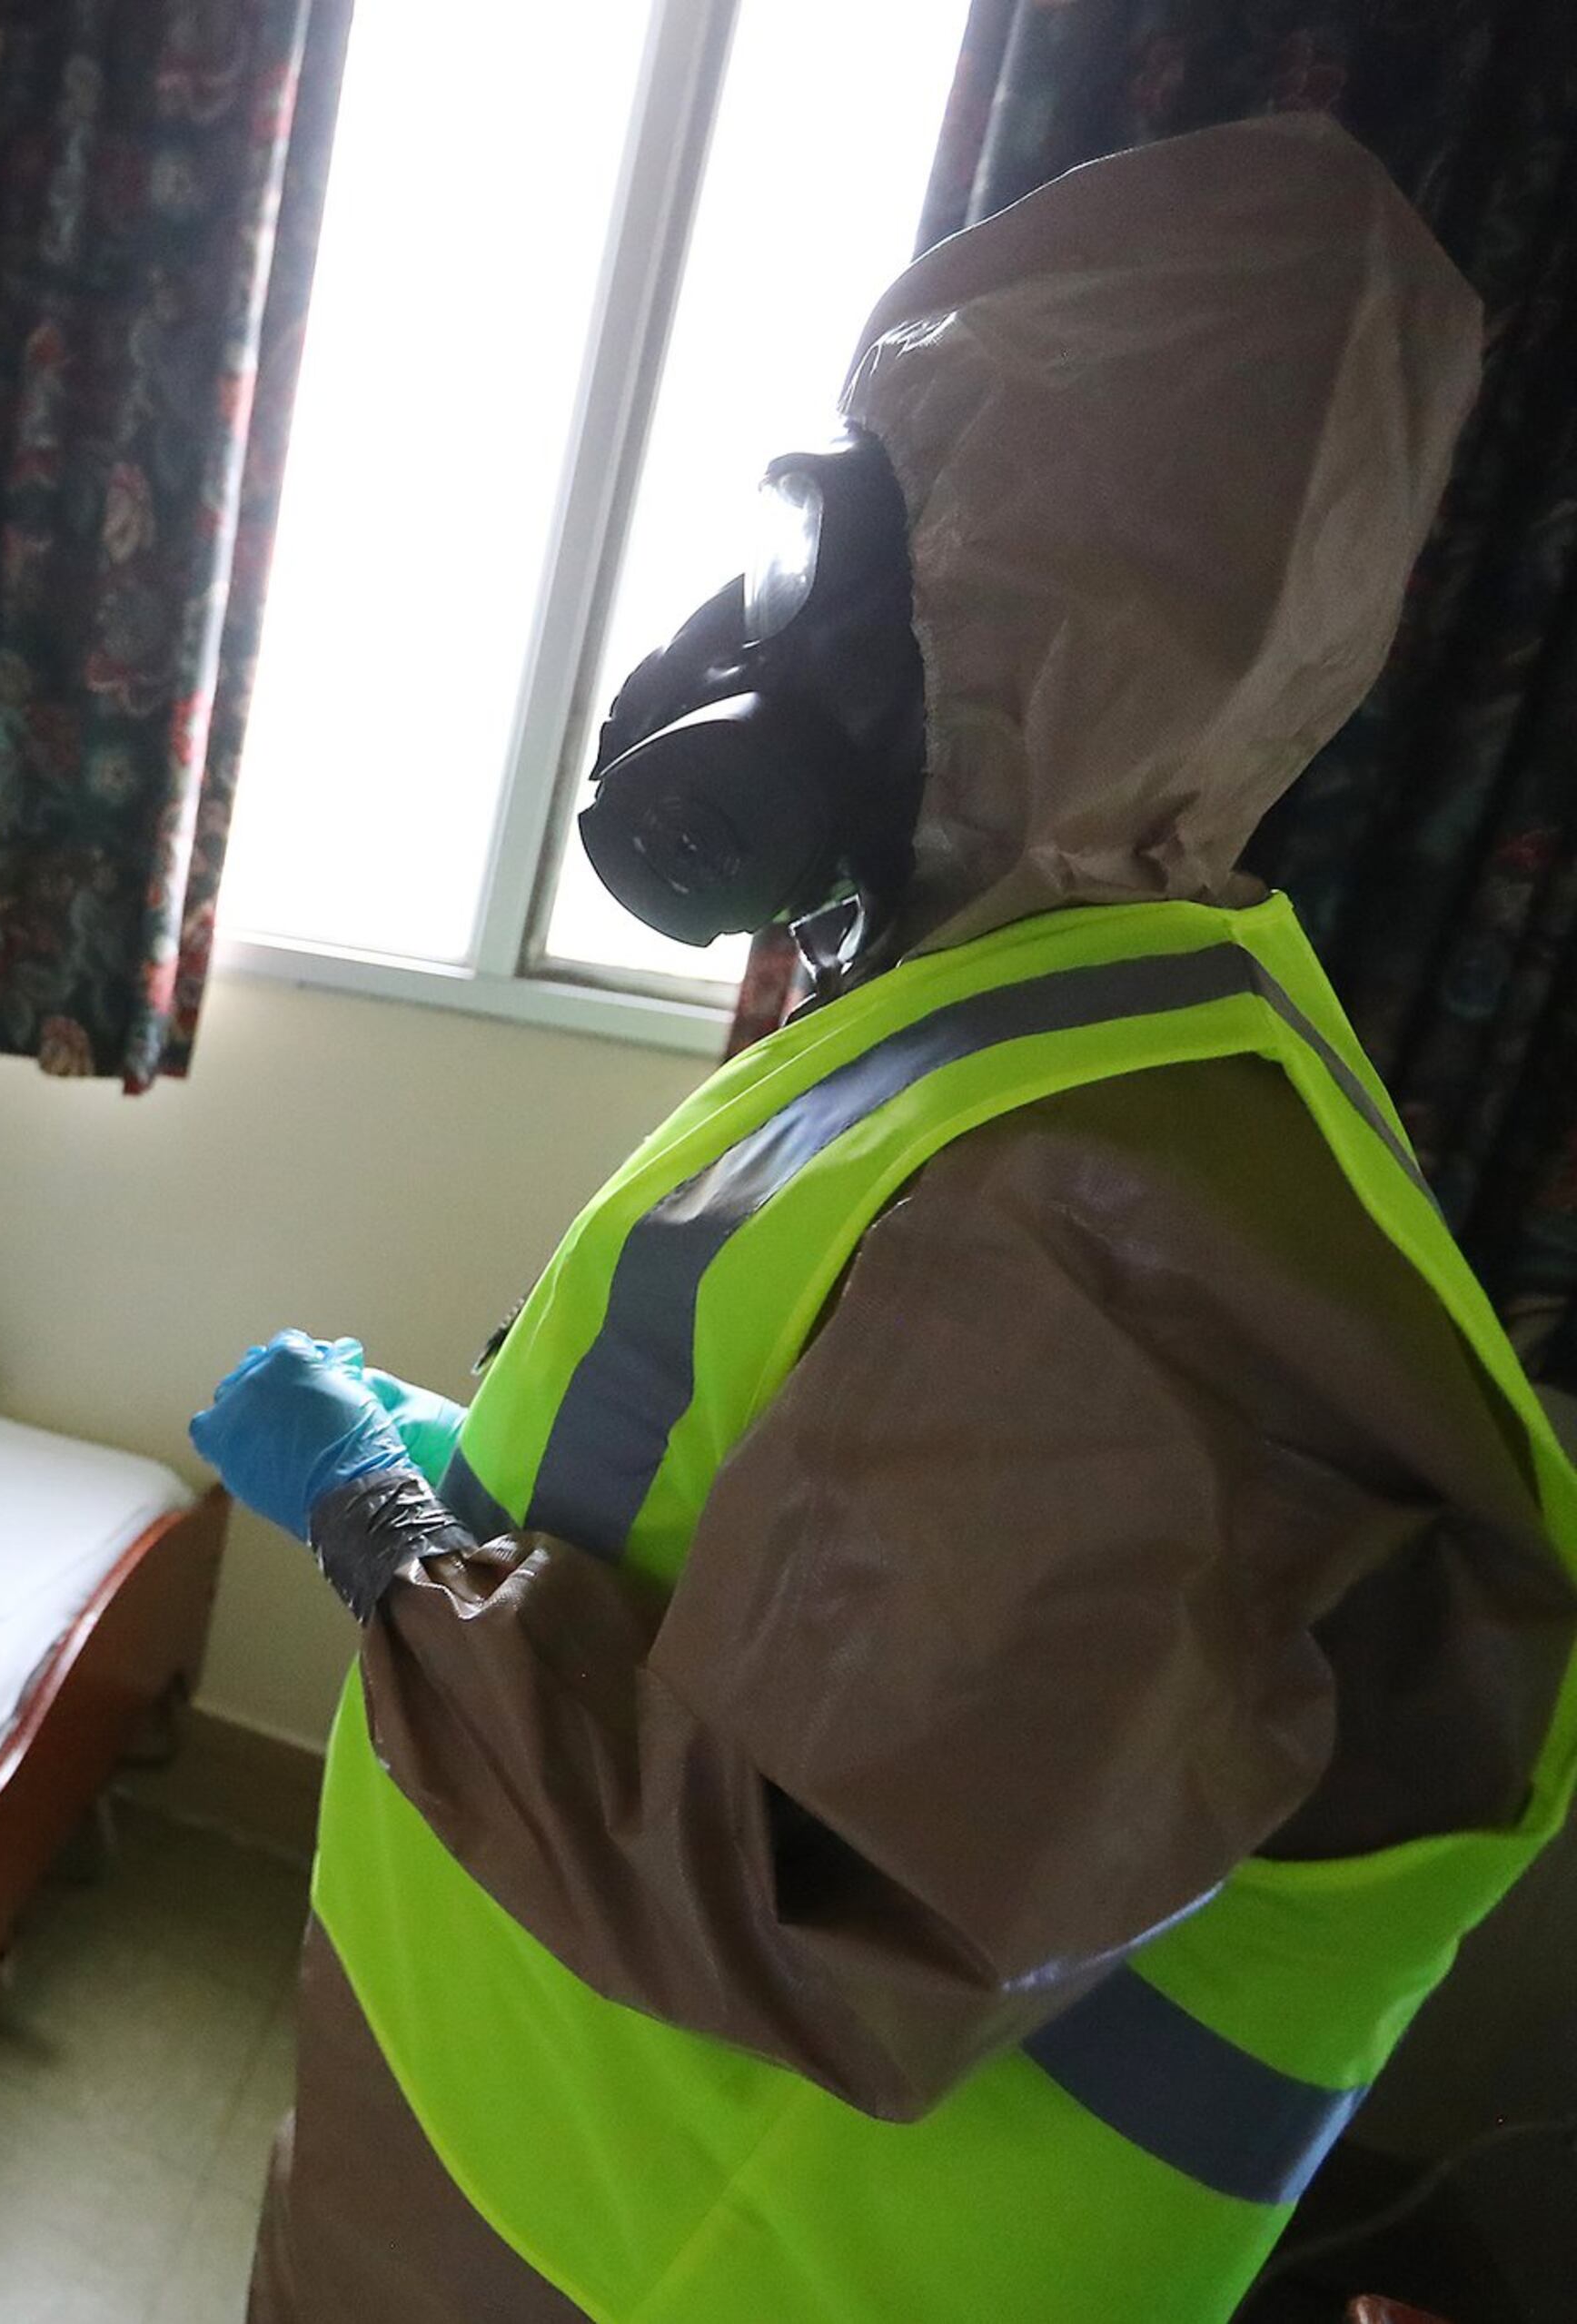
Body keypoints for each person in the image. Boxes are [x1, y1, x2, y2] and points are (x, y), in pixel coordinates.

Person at [196, 117, 1577, 2323]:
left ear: (987, 618)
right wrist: (480, 1471)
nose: (715, 647)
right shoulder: (1065, 1024)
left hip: (662, 2258)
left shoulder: (1109, 1211)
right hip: (537, 2176)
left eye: (807, 573)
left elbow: (784, 1904)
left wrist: (382, 1513)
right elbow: (831, 1553)